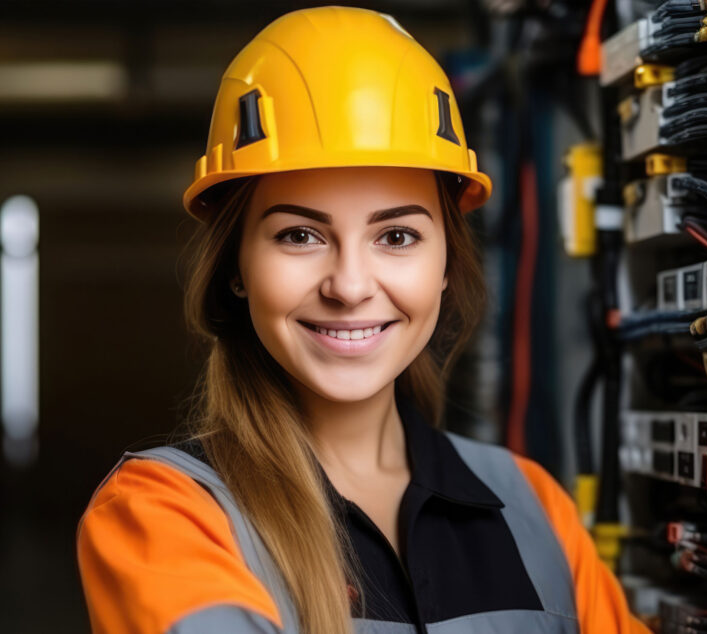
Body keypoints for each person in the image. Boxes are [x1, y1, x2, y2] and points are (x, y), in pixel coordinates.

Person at [76, 6, 650, 634]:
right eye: (299, 234)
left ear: (446, 265)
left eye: (397, 236)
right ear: (237, 267)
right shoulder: (166, 515)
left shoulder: (533, 508)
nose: (349, 286)